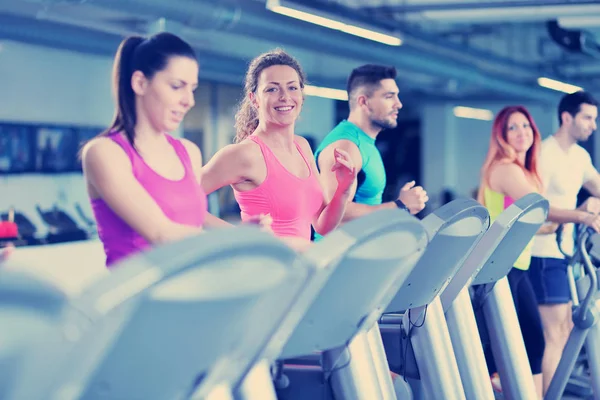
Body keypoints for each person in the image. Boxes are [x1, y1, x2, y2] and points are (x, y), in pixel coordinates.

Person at [81, 32, 268, 268]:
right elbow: (161, 233)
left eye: (192, 89)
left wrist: (243, 232)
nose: (188, 100)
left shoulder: (189, 152)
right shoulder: (105, 153)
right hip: (139, 299)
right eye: (177, 86)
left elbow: (191, 219)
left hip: (190, 288)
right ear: (140, 83)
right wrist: (232, 240)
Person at [200, 49, 356, 252]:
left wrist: (343, 191)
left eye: (292, 88)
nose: (285, 97)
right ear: (254, 98)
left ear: (301, 94)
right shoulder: (244, 154)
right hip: (263, 271)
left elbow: (322, 225)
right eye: (272, 89)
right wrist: (239, 236)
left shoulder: (302, 146)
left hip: (302, 271)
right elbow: (181, 199)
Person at [477, 105, 555, 398]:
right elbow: (541, 208)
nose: (521, 132)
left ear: (534, 131)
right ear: (502, 135)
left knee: (532, 342)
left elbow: (519, 220)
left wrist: (546, 228)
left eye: (525, 126)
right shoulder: (505, 168)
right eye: (512, 127)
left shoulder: (522, 170)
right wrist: (580, 215)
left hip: (517, 267)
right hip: (500, 269)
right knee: (499, 349)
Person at [529, 91, 600, 394]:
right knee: (555, 334)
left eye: (595, 119)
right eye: (587, 118)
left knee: (566, 331)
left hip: (565, 254)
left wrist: (592, 206)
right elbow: (538, 207)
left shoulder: (580, 157)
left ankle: (552, 391)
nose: (593, 126)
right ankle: (550, 394)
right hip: (542, 253)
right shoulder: (544, 154)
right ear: (566, 117)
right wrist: (579, 214)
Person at [313, 64, 427, 241]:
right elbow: (333, 216)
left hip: (360, 254)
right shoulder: (346, 146)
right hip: (340, 260)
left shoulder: (365, 143)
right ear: (364, 102)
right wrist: (399, 206)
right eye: (389, 96)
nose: (399, 104)